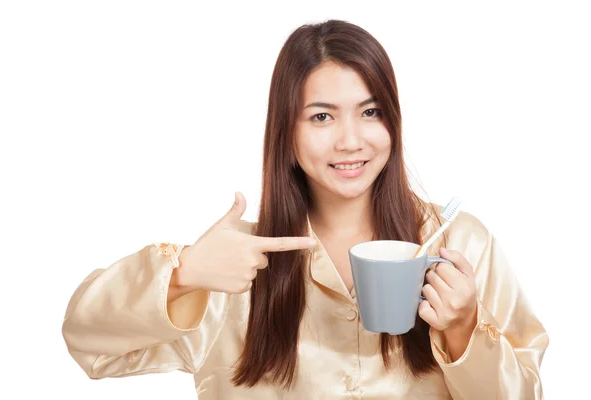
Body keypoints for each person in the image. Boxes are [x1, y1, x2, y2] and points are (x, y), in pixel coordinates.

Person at [61, 19, 548, 399]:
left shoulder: (458, 243)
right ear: (287, 135)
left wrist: (463, 331)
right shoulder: (235, 266)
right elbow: (87, 341)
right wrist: (182, 273)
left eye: (371, 112)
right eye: (321, 117)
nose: (351, 141)